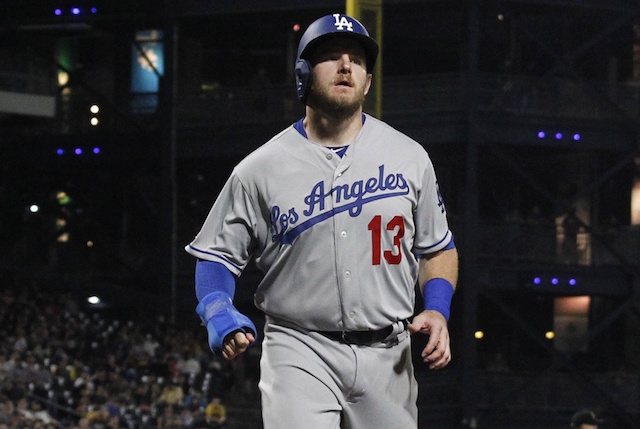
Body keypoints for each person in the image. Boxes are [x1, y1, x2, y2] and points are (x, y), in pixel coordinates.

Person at [185, 13, 458, 429]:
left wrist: (437, 309)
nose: (346, 65)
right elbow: (216, 256)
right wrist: (218, 308)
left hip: (390, 352)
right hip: (299, 347)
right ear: (303, 75)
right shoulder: (260, 168)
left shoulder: (410, 157)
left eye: (357, 59)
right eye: (331, 56)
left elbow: (437, 249)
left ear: (368, 81)